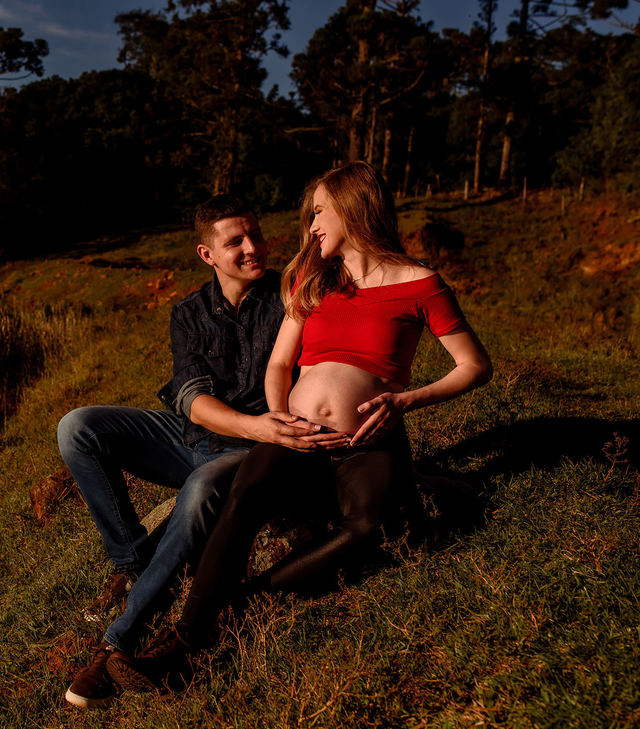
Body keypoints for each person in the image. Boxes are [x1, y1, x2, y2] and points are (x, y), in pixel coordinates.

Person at [105, 161, 493, 694]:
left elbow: (474, 365)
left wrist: (406, 400)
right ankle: (187, 645)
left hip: (368, 441)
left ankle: (247, 601)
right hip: (300, 436)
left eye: (318, 213)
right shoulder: (313, 281)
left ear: (353, 209)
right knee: (244, 498)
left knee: (368, 527)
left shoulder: (420, 283)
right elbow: (279, 365)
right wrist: (280, 420)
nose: (311, 227)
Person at [58, 195, 348, 709]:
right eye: (234, 241)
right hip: (200, 436)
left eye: (255, 234)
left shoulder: (290, 294)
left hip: (252, 452)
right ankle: (135, 562)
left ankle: (118, 641)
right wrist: (252, 424)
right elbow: (192, 399)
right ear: (206, 254)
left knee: (198, 491)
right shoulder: (188, 313)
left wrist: (269, 429)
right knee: (77, 427)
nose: (252, 247)